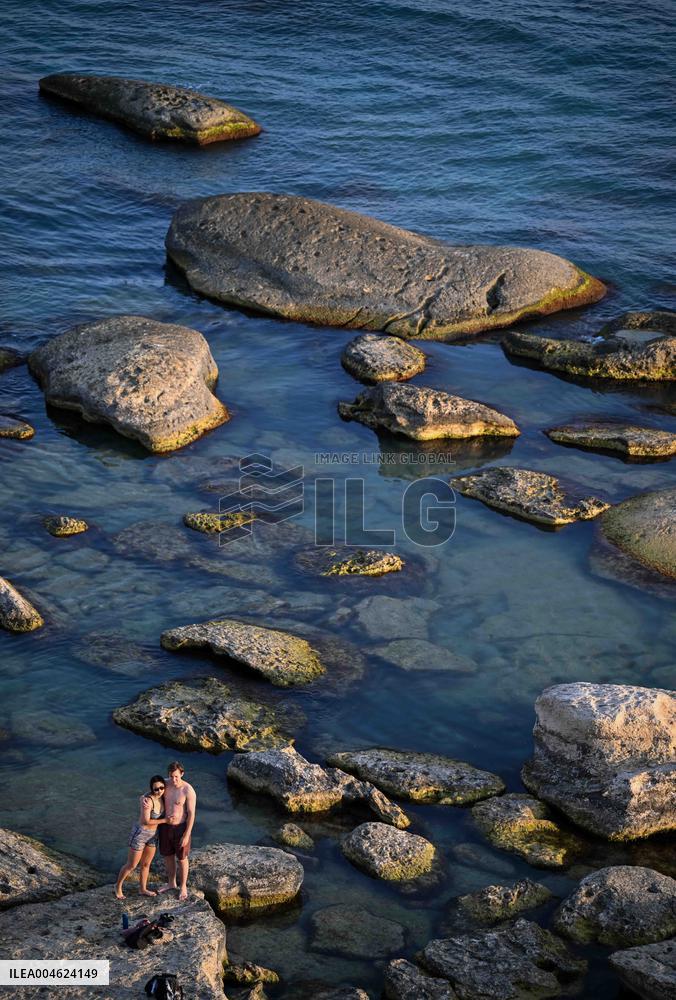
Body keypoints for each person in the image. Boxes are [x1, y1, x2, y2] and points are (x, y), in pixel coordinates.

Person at [115, 775, 167, 899]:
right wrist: (165, 820)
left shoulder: (164, 797)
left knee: (146, 864)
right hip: (141, 834)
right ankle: (117, 886)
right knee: (132, 865)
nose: (159, 791)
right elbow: (145, 821)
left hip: (153, 836)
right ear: (151, 790)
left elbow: (172, 781)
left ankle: (142, 889)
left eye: (161, 787)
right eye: (156, 789)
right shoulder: (148, 801)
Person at [158, 761, 196, 901]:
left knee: (182, 858)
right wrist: (144, 798)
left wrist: (187, 834)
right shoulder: (165, 783)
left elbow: (191, 814)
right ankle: (171, 883)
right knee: (168, 856)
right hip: (165, 826)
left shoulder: (188, 790)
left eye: (176, 776)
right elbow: (152, 791)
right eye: (171, 776)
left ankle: (183, 886)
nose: (173, 780)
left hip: (180, 828)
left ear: (182, 774)